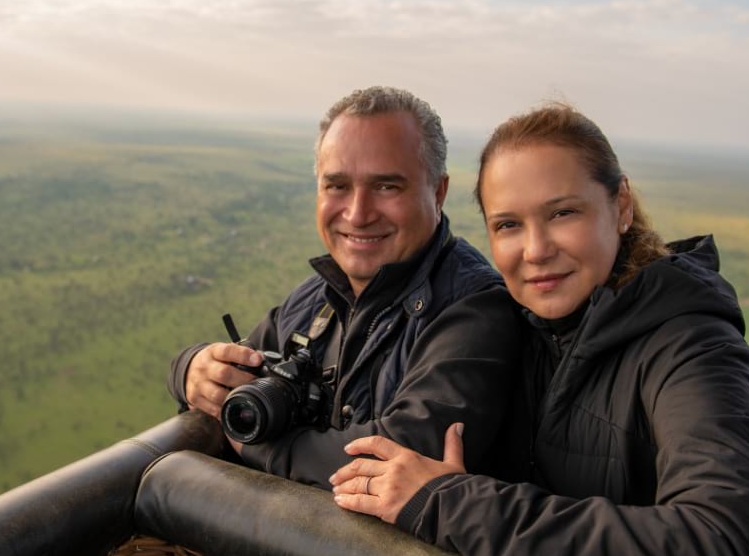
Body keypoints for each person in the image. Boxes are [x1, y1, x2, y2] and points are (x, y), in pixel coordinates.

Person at [330, 103, 749, 556]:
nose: (536, 250)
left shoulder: (688, 344)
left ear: (620, 205)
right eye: (508, 225)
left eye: (563, 214)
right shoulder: (508, 328)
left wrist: (454, 503)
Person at [167, 86, 521, 488]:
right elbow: (240, 373)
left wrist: (258, 445)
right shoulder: (315, 298)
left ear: (438, 191)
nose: (358, 214)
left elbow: (400, 455)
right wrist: (192, 370)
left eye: (386, 186)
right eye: (337, 186)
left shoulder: (476, 312)